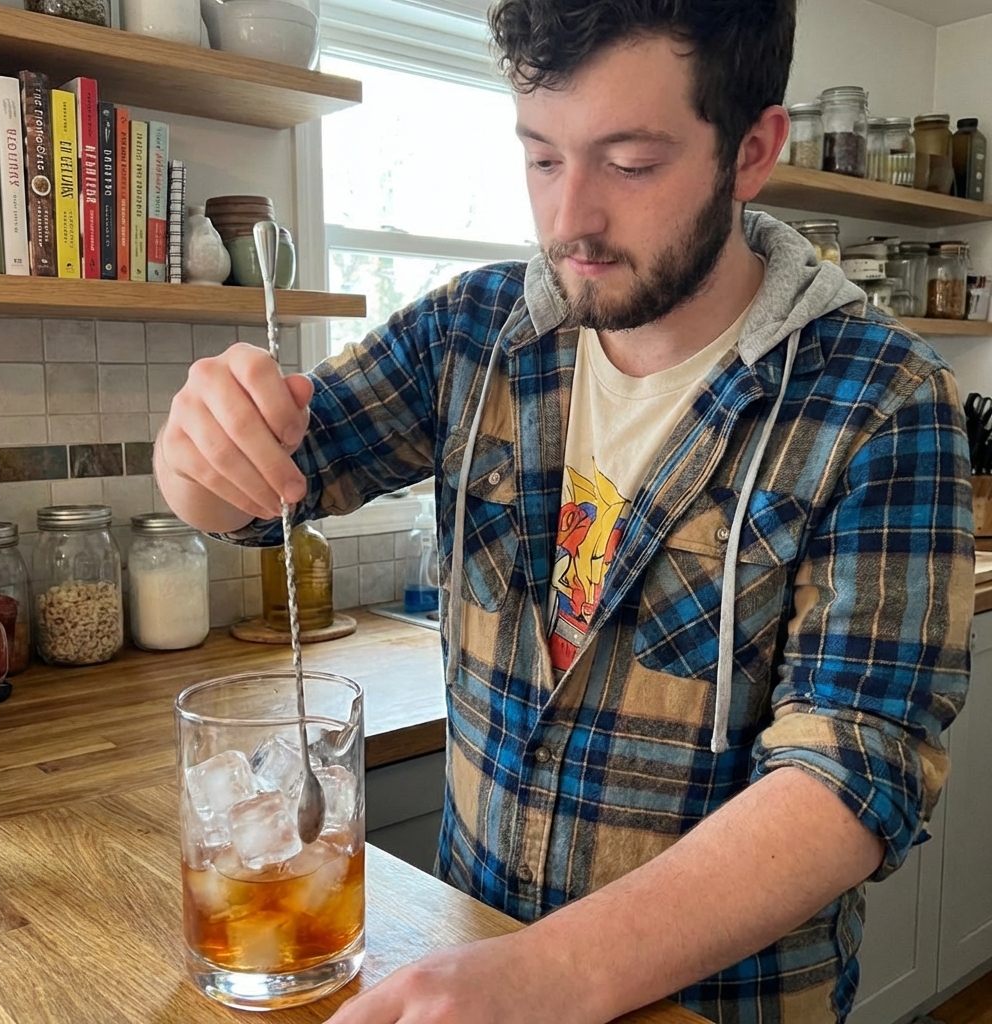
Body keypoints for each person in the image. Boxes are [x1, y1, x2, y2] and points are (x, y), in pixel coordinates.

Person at [154, 1, 975, 1021]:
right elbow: (259, 494)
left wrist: (551, 973)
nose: (567, 220)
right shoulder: (473, 331)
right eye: (541, 158)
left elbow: (853, 772)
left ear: (752, 149)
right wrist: (197, 449)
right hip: (477, 969)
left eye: (629, 162)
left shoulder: (883, 402)